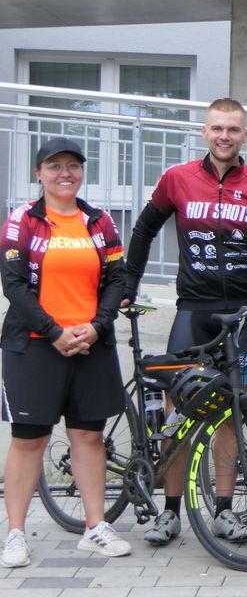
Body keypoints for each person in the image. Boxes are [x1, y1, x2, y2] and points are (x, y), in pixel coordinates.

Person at [122, 98, 247, 546]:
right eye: (217, 128)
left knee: (231, 412)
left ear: (245, 135)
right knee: (179, 410)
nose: (225, 136)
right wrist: (126, 284)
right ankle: (170, 511)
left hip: (243, 314)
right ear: (204, 132)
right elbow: (143, 230)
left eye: (233, 129)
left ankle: (225, 511)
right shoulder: (178, 180)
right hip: (193, 310)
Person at [2, 137, 132, 566]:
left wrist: (96, 328)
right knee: (29, 440)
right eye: (54, 166)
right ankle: (15, 533)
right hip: (36, 346)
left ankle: (94, 526)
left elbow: (117, 279)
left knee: (89, 436)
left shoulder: (99, 222)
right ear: (38, 173)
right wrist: (54, 331)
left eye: (73, 166)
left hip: (90, 345)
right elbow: (14, 285)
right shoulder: (21, 221)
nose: (65, 173)